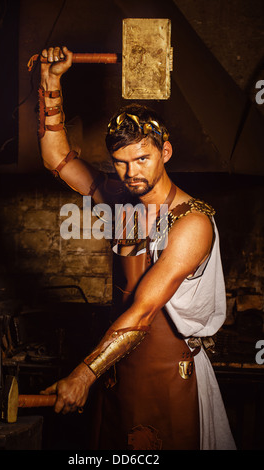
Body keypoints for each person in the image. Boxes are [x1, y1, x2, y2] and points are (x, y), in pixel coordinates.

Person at [36, 46, 236, 450]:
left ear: (165, 152)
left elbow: (144, 312)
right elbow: (56, 157)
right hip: (117, 369)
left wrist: (82, 375)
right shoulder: (118, 200)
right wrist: (50, 81)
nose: (132, 173)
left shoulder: (192, 222)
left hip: (168, 377)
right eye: (122, 162)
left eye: (143, 159)